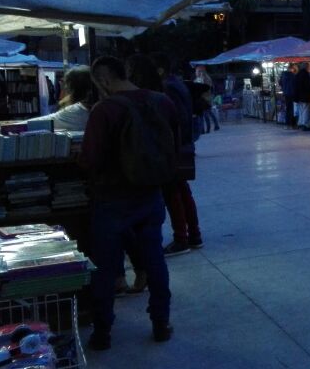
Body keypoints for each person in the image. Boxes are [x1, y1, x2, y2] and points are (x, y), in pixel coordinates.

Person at [80, 56, 176, 351]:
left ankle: (102, 332)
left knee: (106, 267)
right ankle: (160, 322)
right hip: (150, 194)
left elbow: (90, 160)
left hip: (111, 199)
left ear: (103, 79)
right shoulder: (163, 101)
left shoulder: (104, 110)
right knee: (155, 259)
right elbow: (175, 142)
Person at [151, 53, 204, 256]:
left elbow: (177, 119)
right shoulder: (176, 84)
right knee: (181, 191)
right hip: (181, 145)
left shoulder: (169, 87)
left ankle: (182, 237)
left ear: (160, 70)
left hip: (176, 148)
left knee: (174, 193)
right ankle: (193, 235)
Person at [26, 66, 96, 131]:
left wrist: (18, 125)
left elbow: (48, 121)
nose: (65, 87)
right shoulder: (97, 106)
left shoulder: (77, 110)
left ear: (74, 88)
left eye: (67, 84)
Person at [194, 65, 220, 132]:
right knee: (208, 113)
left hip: (206, 98)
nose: (197, 72)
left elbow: (206, 88)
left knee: (206, 114)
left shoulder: (206, 78)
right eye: (197, 71)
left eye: (199, 71)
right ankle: (212, 127)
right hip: (203, 98)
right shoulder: (200, 78)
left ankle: (207, 129)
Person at [293, 62, 310, 131]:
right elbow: (307, 86)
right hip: (305, 96)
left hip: (299, 96)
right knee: (306, 111)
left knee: (301, 110)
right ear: (307, 67)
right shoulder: (306, 74)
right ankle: (305, 125)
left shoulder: (298, 74)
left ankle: (301, 123)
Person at [280, 63, 297, 129]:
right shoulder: (293, 75)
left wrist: (284, 89)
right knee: (292, 109)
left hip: (286, 94)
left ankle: (287, 124)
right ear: (293, 68)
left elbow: (280, 83)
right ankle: (293, 124)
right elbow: (295, 85)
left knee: (288, 109)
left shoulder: (283, 75)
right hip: (292, 94)